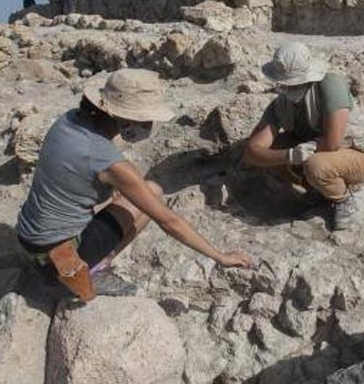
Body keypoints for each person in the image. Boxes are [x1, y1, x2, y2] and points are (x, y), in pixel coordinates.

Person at [17, 69, 252, 301]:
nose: (149, 124)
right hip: (57, 262)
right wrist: (220, 256)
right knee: (152, 192)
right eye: (145, 119)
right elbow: (169, 222)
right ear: (128, 119)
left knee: (131, 194)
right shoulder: (107, 161)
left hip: (28, 240)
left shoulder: (68, 120)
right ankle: (95, 268)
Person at [243, 42, 364, 230]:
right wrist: (289, 155)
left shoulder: (331, 85)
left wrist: (307, 150)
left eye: (293, 83)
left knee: (316, 165)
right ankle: (317, 191)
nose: (288, 88)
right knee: (275, 149)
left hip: (359, 155)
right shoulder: (281, 105)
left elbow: (332, 143)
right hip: (320, 152)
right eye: (284, 84)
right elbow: (252, 152)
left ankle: (342, 199)